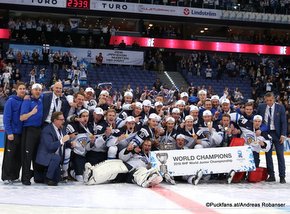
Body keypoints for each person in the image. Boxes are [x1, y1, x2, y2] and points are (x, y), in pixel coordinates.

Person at [257, 92, 287, 183]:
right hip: (266, 133)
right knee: (268, 155)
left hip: (277, 134)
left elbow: (284, 122)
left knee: (280, 155)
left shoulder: (280, 107)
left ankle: (282, 176)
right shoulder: (261, 107)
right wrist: (259, 130)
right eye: (267, 100)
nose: (269, 102)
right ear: (264, 100)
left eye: (270, 100)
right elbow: (258, 119)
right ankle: (271, 175)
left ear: (274, 99)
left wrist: (283, 134)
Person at [35, 112, 71, 186]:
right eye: (61, 120)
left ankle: (45, 176)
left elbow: (64, 142)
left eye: (63, 119)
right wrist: (62, 141)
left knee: (57, 179)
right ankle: (48, 178)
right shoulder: (47, 130)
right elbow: (50, 146)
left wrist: (70, 144)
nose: (63, 121)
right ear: (55, 120)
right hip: (46, 157)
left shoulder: (62, 129)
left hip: (56, 159)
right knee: (56, 158)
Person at [1, 82, 26, 184]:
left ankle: (15, 176)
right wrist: (9, 132)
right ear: (16, 90)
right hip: (12, 134)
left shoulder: (25, 101)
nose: (22, 90)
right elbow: (6, 118)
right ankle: (6, 176)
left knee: (18, 156)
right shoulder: (11, 101)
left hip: (22, 134)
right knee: (9, 156)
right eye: (20, 88)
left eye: (24, 88)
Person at [20, 83, 43, 185]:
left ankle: (37, 177)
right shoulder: (27, 101)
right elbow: (22, 117)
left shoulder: (41, 99)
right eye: (36, 89)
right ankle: (25, 178)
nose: (38, 91)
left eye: (39, 90)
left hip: (39, 130)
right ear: (32, 91)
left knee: (37, 155)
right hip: (29, 130)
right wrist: (31, 113)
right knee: (27, 155)